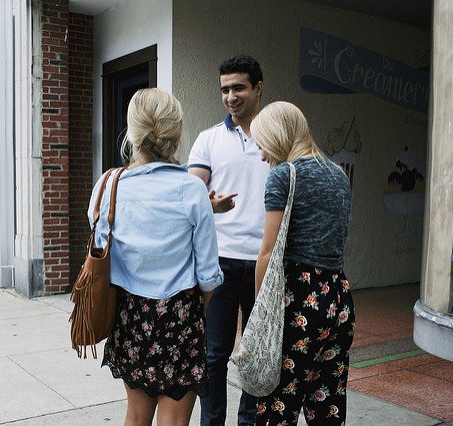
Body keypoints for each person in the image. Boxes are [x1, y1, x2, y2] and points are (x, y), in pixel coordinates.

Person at [89, 88, 224, 426]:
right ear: (175, 134)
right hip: (181, 314)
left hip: (131, 314)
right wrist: (193, 308)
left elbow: (103, 252)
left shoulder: (109, 184)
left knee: (135, 417)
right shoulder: (192, 189)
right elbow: (208, 275)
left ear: (132, 133)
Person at [251, 101, 355, 425]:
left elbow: (268, 253)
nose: (263, 155)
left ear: (278, 137)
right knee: (327, 406)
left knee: (277, 408)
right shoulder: (339, 175)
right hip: (338, 300)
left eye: (263, 145)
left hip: (298, 302)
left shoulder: (283, 176)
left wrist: (261, 313)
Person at [188, 54, 269, 426]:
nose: (230, 96)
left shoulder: (277, 140)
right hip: (219, 262)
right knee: (214, 353)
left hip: (264, 263)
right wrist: (209, 205)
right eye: (225, 89)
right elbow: (191, 196)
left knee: (255, 352)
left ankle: (249, 421)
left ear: (258, 88)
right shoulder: (209, 139)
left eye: (238, 87)